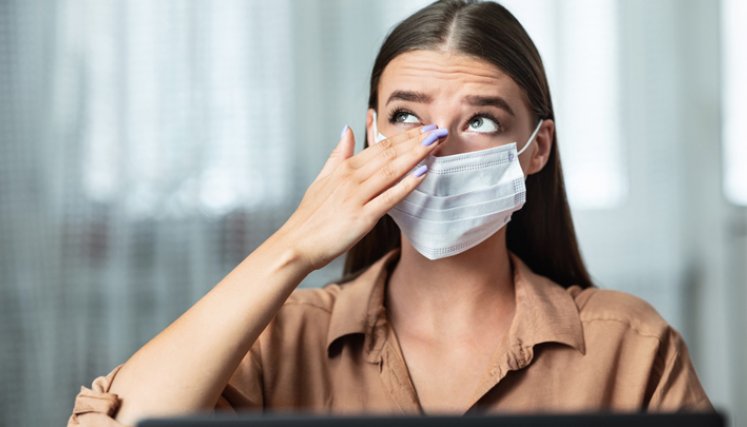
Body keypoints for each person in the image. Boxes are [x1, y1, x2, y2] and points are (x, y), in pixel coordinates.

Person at [68, 1, 712, 426]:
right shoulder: (280, 337)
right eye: (408, 117)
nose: (440, 147)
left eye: (482, 120)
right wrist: (294, 245)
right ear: (374, 133)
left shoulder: (629, 346)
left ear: (535, 148)